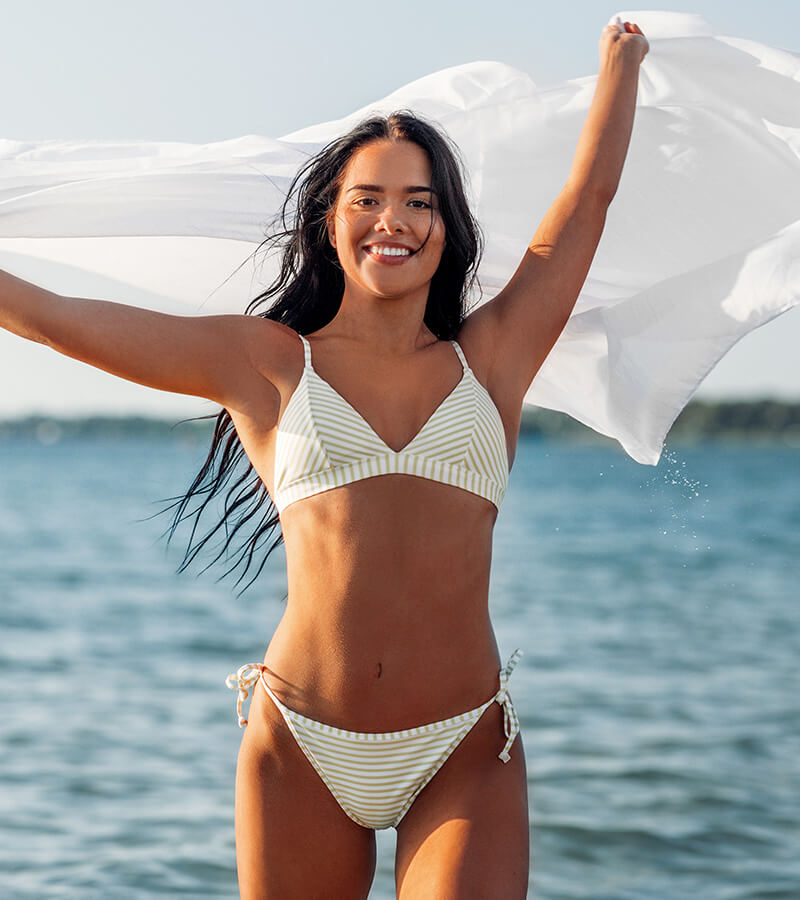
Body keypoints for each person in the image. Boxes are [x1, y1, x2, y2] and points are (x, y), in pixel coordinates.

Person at [0, 19, 648, 900]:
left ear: (447, 226)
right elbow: (58, 321)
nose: (396, 221)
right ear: (330, 219)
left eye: (420, 201)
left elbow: (587, 203)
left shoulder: (490, 359)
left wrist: (623, 65)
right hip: (302, 743)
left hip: (461, 744)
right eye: (369, 199)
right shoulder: (265, 364)